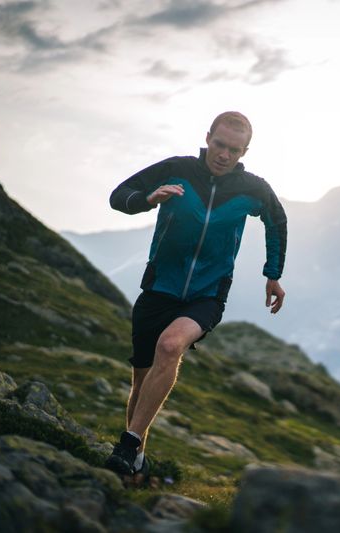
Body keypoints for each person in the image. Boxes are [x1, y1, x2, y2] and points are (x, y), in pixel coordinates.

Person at [105, 111, 287, 477]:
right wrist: (147, 198)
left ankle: (126, 445)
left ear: (244, 151)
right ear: (207, 137)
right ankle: (136, 455)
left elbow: (277, 222)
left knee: (171, 347)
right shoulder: (177, 169)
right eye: (219, 144)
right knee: (141, 381)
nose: (224, 154)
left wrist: (273, 274)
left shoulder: (252, 188)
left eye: (234, 150)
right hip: (159, 287)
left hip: (207, 294)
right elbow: (117, 196)